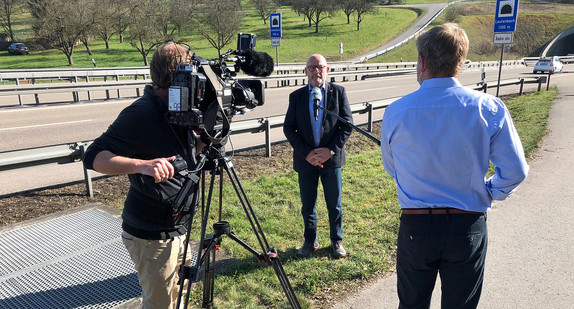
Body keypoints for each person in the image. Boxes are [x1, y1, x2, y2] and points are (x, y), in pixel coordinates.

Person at [380, 23, 529, 308]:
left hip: (416, 225)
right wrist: (489, 191)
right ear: (461, 62)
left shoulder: (396, 111)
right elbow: (516, 170)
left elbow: (393, 168)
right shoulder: (489, 107)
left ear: (421, 62)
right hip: (466, 225)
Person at [83, 42, 203, 309]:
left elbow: (187, 155)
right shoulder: (142, 112)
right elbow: (93, 156)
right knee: (161, 304)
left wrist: (205, 139)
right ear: (177, 73)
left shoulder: (180, 108)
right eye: (191, 67)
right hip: (151, 233)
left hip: (179, 225)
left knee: (179, 295)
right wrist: (141, 165)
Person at [283, 54, 353, 259]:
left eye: (320, 67)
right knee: (308, 205)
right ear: (306, 72)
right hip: (306, 161)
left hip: (331, 160)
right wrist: (307, 153)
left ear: (327, 70)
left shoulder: (338, 93)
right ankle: (310, 240)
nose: (316, 71)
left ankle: (336, 240)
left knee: (335, 204)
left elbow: (346, 125)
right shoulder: (296, 97)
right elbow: (289, 128)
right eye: (312, 68)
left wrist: (328, 151)